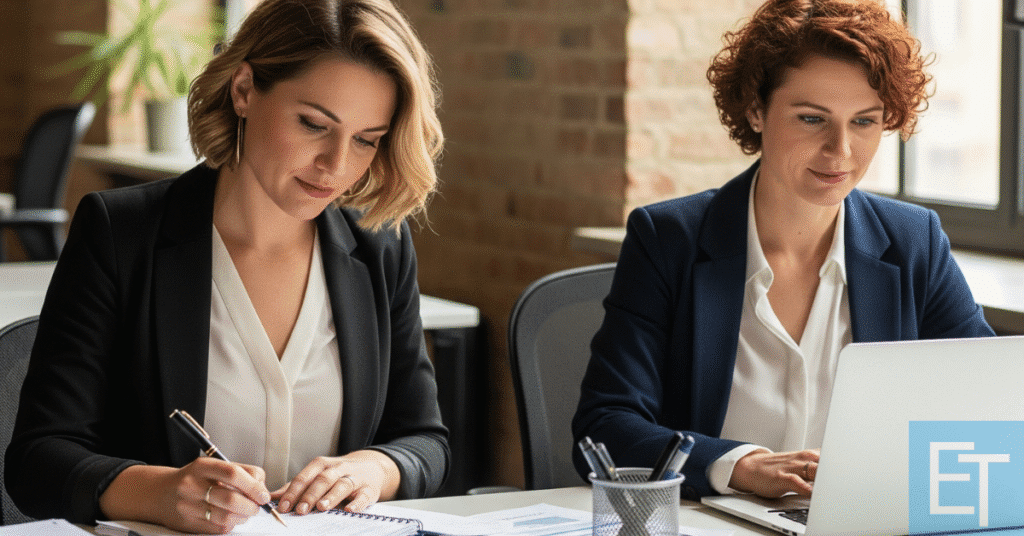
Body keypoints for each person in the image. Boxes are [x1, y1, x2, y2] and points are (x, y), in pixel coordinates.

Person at [5, 0, 448, 532]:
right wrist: (160, 493)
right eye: (313, 124)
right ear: (243, 90)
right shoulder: (123, 233)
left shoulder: (380, 248)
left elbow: (426, 440)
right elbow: (37, 460)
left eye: (366, 140)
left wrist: (376, 468)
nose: (336, 165)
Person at [572, 0, 994, 503]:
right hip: (719, 520)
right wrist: (740, 466)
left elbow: (986, 404)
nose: (840, 150)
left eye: (864, 122)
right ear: (755, 108)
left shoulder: (913, 241)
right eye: (813, 118)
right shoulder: (669, 240)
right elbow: (604, 428)